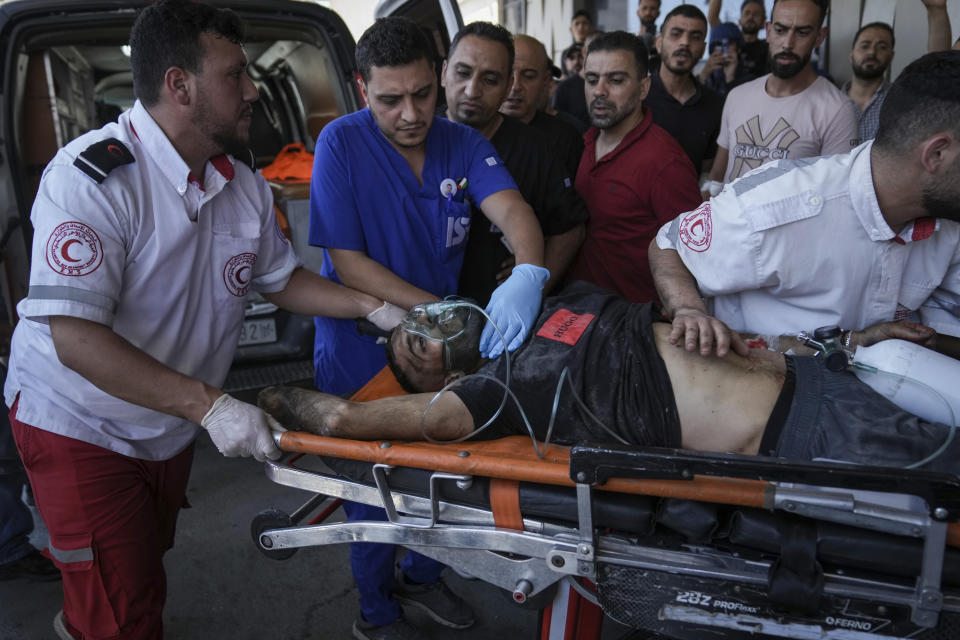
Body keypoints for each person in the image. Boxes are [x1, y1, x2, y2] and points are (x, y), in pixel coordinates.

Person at [1, 1, 402, 638]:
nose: (251, 92)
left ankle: (88, 611)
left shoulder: (239, 182)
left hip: (166, 422)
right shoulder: (95, 180)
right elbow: (75, 340)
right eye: (235, 75)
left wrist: (372, 307)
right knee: (124, 608)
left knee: (136, 567)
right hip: (79, 418)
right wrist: (213, 407)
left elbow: (282, 280)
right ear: (179, 86)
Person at [258, 282, 960, 475]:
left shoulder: (551, 305)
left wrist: (848, 343)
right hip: (807, 434)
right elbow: (343, 423)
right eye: (416, 350)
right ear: (438, 382)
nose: (423, 330)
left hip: (818, 373)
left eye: (423, 319)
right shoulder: (482, 396)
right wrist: (259, 401)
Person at [649, 51, 960, 361]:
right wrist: (689, 310)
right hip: (751, 388)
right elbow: (669, 246)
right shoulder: (778, 204)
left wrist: (868, 343)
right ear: (937, 154)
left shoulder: (947, 223)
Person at [309, 17, 547, 398]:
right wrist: (445, 315)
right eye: (390, 100)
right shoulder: (340, 143)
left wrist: (529, 272)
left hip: (437, 357)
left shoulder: (464, 143)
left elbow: (513, 210)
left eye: (422, 94)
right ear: (362, 89)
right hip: (361, 345)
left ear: (438, 75)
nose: (412, 114)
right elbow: (348, 263)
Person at [443, 23, 588, 304]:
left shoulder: (538, 148)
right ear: (443, 72)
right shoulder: (417, 138)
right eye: (463, 73)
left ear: (507, 85)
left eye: (490, 79)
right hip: (424, 314)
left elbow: (570, 229)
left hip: (497, 317)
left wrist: (530, 285)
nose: (472, 90)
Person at [569, 31, 701, 304]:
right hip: (575, 313)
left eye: (615, 80)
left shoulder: (665, 163)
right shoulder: (580, 144)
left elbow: (693, 256)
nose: (599, 91)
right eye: (592, 79)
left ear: (643, 88)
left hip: (637, 322)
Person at [702, 0, 858, 197]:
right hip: (728, 224)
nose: (788, 43)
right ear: (768, 31)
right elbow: (716, 178)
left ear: (819, 37)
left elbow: (836, 197)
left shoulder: (836, 110)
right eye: (780, 30)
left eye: (802, 32)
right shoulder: (738, 96)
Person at [844, 2, 952, 142]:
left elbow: (937, 68)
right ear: (851, 55)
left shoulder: (901, 99)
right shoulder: (831, 102)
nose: (872, 52)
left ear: (891, 56)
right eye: (865, 46)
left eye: (882, 47)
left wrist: (937, 11)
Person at [645, 5, 724, 175]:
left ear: (703, 49)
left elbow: (707, 170)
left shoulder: (715, 105)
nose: (685, 42)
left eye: (695, 37)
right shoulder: (636, 97)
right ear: (659, 43)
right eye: (676, 34)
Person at [500, 34, 586, 178]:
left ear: (546, 80)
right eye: (508, 74)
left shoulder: (566, 139)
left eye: (528, 76)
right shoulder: (472, 132)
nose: (516, 86)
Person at [551, 31, 602, 130]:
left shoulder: (610, 87)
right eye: (595, 48)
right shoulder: (564, 89)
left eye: (606, 50)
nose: (601, 54)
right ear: (584, 51)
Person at [709, 0, 770, 78]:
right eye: (747, 13)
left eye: (756, 14)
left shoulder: (768, 47)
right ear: (740, 20)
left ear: (763, 23)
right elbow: (712, 18)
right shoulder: (728, 41)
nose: (750, 17)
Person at [699, 22, 755, 98]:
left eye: (729, 43)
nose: (723, 48)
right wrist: (703, 76)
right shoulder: (707, 78)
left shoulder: (750, 81)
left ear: (738, 48)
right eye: (718, 44)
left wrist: (730, 80)